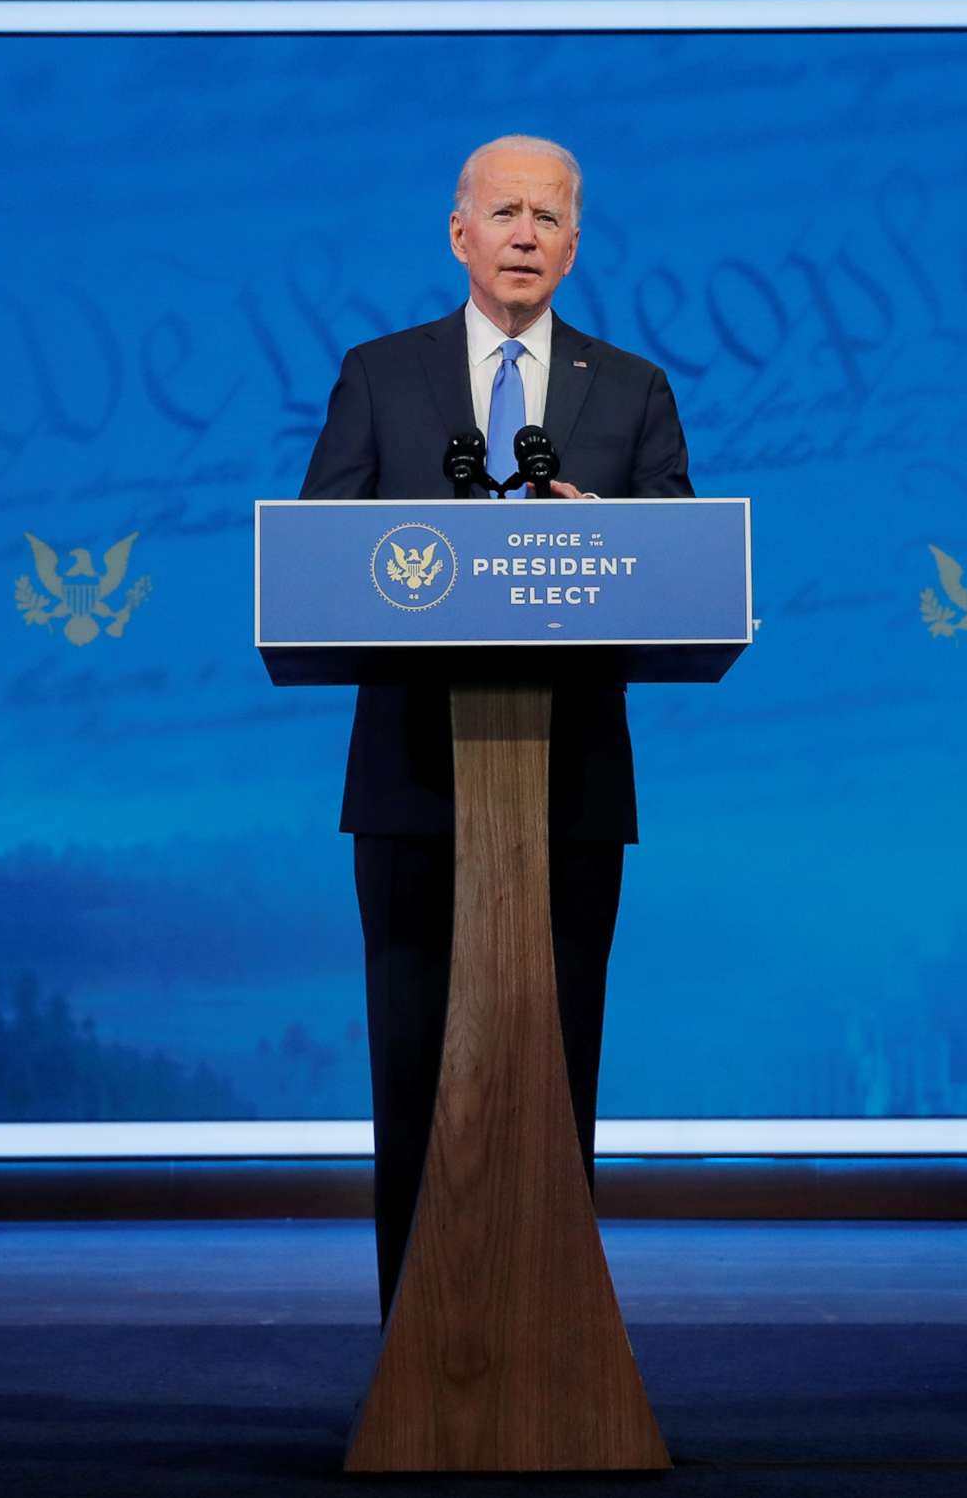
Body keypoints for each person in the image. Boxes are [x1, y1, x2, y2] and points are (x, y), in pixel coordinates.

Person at [296, 134, 694, 1316]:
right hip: (416, 780)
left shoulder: (630, 391)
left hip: (567, 786)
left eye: (550, 217)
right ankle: (418, 1347)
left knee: (554, 1070)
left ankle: (549, 1339)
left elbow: (681, 563)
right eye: (504, 213)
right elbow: (322, 548)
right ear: (458, 233)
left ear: (577, 244)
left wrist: (603, 531)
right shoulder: (382, 373)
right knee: (416, 1069)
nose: (526, 234)